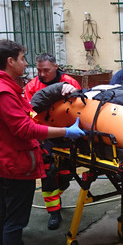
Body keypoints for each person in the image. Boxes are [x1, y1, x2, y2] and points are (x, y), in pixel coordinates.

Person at [0, 39, 83, 245]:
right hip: (13, 164)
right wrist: (65, 132)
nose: (26, 64)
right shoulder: (3, 91)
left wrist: (59, 91)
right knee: (14, 220)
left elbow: (28, 109)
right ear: (10, 61)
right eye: (23, 59)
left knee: (4, 214)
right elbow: (25, 127)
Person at [24, 53, 81, 231]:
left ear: (56, 66)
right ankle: (53, 212)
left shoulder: (70, 83)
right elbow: (28, 112)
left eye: (46, 70)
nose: (42, 74)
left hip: (67, 136)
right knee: (48, 176)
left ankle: (61, 187)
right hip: (45, 136)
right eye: (39, 70)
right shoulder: (32, 86)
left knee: (66, 174)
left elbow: (80, 106)